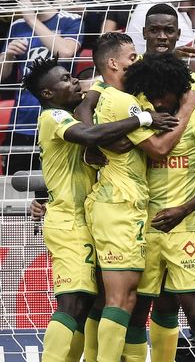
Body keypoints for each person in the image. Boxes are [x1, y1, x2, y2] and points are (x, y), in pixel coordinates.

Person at [23, 55, 177, 362]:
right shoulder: (53, 117)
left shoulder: (69, 116)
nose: (74, 81)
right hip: (68, 223)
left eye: (72, 76)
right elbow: (91, 134)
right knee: (73, 304)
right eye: (65, 79)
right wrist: (143, 119)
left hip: (87, 218)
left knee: (88, 305)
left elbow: (78, 148)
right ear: (48, 94)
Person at [84, 32, 195, 361]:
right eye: (132, 57)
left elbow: (89, 110)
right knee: (121, 300)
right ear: (113, 63)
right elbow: (161, 148)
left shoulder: (111, 96)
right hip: (119, 205)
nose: (137, 61)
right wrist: (189, 108)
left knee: (114, 298)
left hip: (115, 203)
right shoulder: (124, 102)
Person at [123, 52, 195, 362]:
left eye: (162, 94)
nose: (157, 102)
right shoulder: (143, 115)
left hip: (184, 229)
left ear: (177, 86)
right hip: (143, 227)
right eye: (151, 95)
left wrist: (182, 209)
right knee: (138, 312)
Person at [0, 0, 83, 174]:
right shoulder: (16, 26)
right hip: (22, 119)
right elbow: (2, 75)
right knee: (16, 185)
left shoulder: (69, 20)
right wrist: (7, 55)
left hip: (58, 118)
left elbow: (65, 51)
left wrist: (31, 18)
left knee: (52, 187)